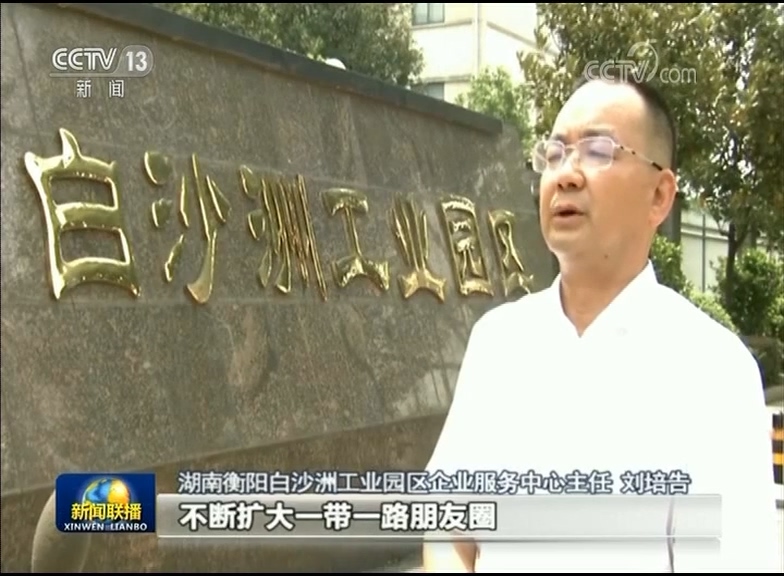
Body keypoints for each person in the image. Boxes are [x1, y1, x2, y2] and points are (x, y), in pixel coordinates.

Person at [422, 76, 780, 573]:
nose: (566, 175)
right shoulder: (498, 342)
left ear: (659, 195)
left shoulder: (713, 369)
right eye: (553, 154)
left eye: (597, 151)